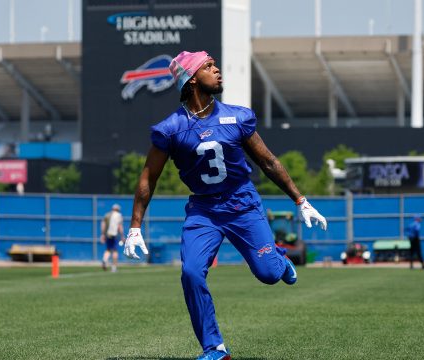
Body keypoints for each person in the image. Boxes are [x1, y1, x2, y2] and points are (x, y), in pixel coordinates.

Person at [123, 50, 328, 360]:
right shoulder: (170, 129)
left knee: (270, 274)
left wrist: (301, 200)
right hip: (204, 210)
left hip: (242, 203)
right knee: (191, 273)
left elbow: (268, 161)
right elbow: (148, 178)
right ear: (192, 79)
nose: (217, 70)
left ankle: (279, 260)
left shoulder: (237, 116)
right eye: (209, 66)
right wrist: (135, 226)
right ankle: (214, 347)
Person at [101, 204, 124, 272]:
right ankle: (114, 267)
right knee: (115, 251)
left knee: (108, 249)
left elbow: (103, 225)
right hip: (115, 235)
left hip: (108, 234)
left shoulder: (107, 215)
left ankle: (105, 259)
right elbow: (120, 227)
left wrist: (103, 234)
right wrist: (122, 236)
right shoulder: (119, 216)